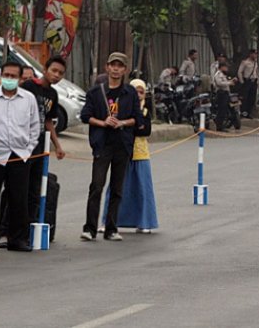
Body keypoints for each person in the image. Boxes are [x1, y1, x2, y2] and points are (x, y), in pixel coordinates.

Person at [80, 52, 142, 242]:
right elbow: (85, 116)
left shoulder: (130, 93)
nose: (116, 69)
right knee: (97, 186)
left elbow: (137, 119)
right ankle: (90, 228)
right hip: (102, 145)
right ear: (107, 67)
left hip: (122, 145)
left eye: (120, 66)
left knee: (117, 188)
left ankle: (111, 228)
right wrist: (103, 122)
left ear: (125, 70)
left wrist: (122, 123)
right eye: (112, 65)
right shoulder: (95, 92)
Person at [0, 61, 40, 252]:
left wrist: (29, 149)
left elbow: (35, 126)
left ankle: (18, 239)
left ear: (20, 79)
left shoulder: (29, 98)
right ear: (1, 75)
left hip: (19, 154)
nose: (9, 79)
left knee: (19, 199)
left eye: (13, 76)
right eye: (6, 75)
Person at [21, 56, 66, 224]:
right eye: (54, 70)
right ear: (45, 69)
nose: (56, 75)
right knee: (19, 188)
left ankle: (29, 227)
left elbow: (48, 121)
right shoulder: (29, 86)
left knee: (35, 188)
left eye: (60, 73)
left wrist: (57, 145)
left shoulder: (53, 94)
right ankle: (6, 231)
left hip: (39, 146)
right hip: (23, 145)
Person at [116, 79, 158, 233]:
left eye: (142, 92)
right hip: (123, 152)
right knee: (117, 188)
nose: (139, 95)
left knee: (142, 189)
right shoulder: (122, 108)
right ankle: (110, 221)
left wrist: (128, 125)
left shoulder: (145, 111)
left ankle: (144, 222)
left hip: (140, 153)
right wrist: (134, 125)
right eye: (136, 91)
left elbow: (145, 131)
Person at [213, 62, 237, 131]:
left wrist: (232, 81)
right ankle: (219, 126)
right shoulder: (218, 74)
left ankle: (222, 125)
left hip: (226, 93)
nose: (227, 69)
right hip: (221, 93)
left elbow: (225, 82)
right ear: (222, 67)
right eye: (225, 67)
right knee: (221, 110)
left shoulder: (223, 75)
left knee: (225, 110)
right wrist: (229, 83)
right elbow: (219, 83)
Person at [237, 49, 258, 118]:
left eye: (256, 54)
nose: (255, 55)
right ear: (250, 54)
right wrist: (242, 81)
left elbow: (256, 72)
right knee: (245, 97)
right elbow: (240, 72)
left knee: (252, 98)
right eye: (254, 54)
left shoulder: (255, 63)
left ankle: (249, 113)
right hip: (247, 81)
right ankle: (243, 112)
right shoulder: (245, 62)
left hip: (254, 81)